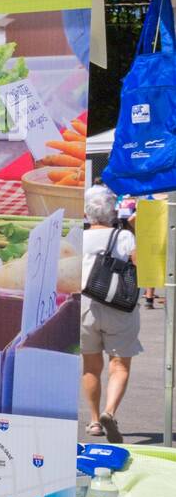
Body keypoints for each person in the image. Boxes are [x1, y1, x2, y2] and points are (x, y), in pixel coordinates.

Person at [81, 185, 143, 443]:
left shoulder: (79, 237)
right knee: (119, 364)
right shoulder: (124, 238)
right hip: (120, 306)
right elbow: (140, 264)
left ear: (87, 212)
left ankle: (95, 421)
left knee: (91, 366)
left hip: (85, 306)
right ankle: (109, 411)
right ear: (112, 210)